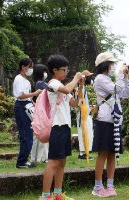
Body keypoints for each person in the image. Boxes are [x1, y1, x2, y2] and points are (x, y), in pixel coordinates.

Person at [39, 54, 83, 200]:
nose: (66, 73)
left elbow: (76, 104)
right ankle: (45, 196)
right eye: (64, 70)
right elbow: (67, 90)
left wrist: (80, 86)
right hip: (56, 127)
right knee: (53, 161)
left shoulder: (63, 86)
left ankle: (57, 193)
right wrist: (76, 78)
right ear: (55, 70)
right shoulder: (53, 84)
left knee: (62, 161)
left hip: (65, 127)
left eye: (67, 70)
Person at [92, 52, 129, 197]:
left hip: (114, 121)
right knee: (103, 153)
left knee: (111, 154)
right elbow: (116, 89)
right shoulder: (100, 79)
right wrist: (121, 76)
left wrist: (125, 78)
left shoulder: (108, 79)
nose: (114, 67)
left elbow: (124, 93)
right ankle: (97, 186)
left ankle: (110, 185)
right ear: (105, 65)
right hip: (104, 121)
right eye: (112, 64)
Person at [13, 58, 42, 168]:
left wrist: (34, 103)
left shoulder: (26, 81)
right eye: (30, 67)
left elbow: (26, 96)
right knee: (26, 135)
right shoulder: (19, 79)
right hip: (21, 107)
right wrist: (35, 93)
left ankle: (23, 160)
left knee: (28, 135)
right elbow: (20, 96)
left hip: (26, 106)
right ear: (23, 67)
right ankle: (21, 162)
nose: (31, 69)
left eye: (32, 67)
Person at [31, 64, 49, 164]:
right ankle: (36, 159)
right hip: (41, 113)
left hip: (44, 112)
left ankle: (44, 157)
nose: (46, 74)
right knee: (40, 136)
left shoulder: (40, 83)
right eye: (44, 71)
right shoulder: (40, 83)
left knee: (45, 136)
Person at [75, 70, 94, 160]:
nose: (91, 79)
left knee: (87, 132)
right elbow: (80, 103)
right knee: (83, 132)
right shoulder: (81, 88)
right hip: (83, 114)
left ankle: (84, 153)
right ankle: (82, 153)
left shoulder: (83, 88)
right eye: (90, 77)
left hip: (85, 114)